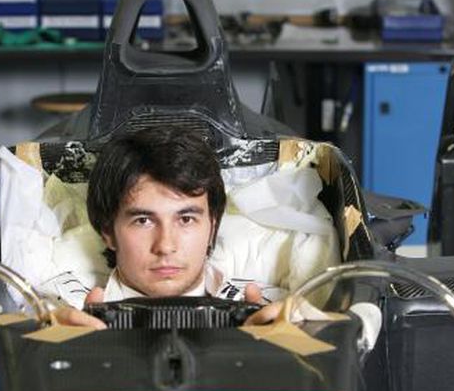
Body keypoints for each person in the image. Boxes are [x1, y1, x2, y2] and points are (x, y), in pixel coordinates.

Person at [52, 127, 283, 328]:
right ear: (108, 232)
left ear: (212, 228)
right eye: (143, 220)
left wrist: (279, 342)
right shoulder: (59, 309)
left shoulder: (275, 309)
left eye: (186, 219)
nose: (165, 246)